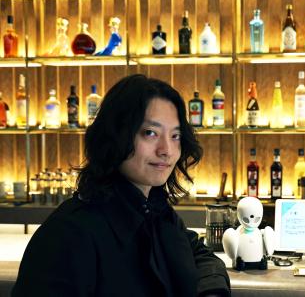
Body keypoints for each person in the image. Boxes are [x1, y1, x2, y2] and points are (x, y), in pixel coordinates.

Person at [12, 75, 231, 297]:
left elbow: (199, 253)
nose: (167, 150)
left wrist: (212, 291)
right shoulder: (68, 233)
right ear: (116, 135)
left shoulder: (158, 213)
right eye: (150, 133)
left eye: (175, 136)